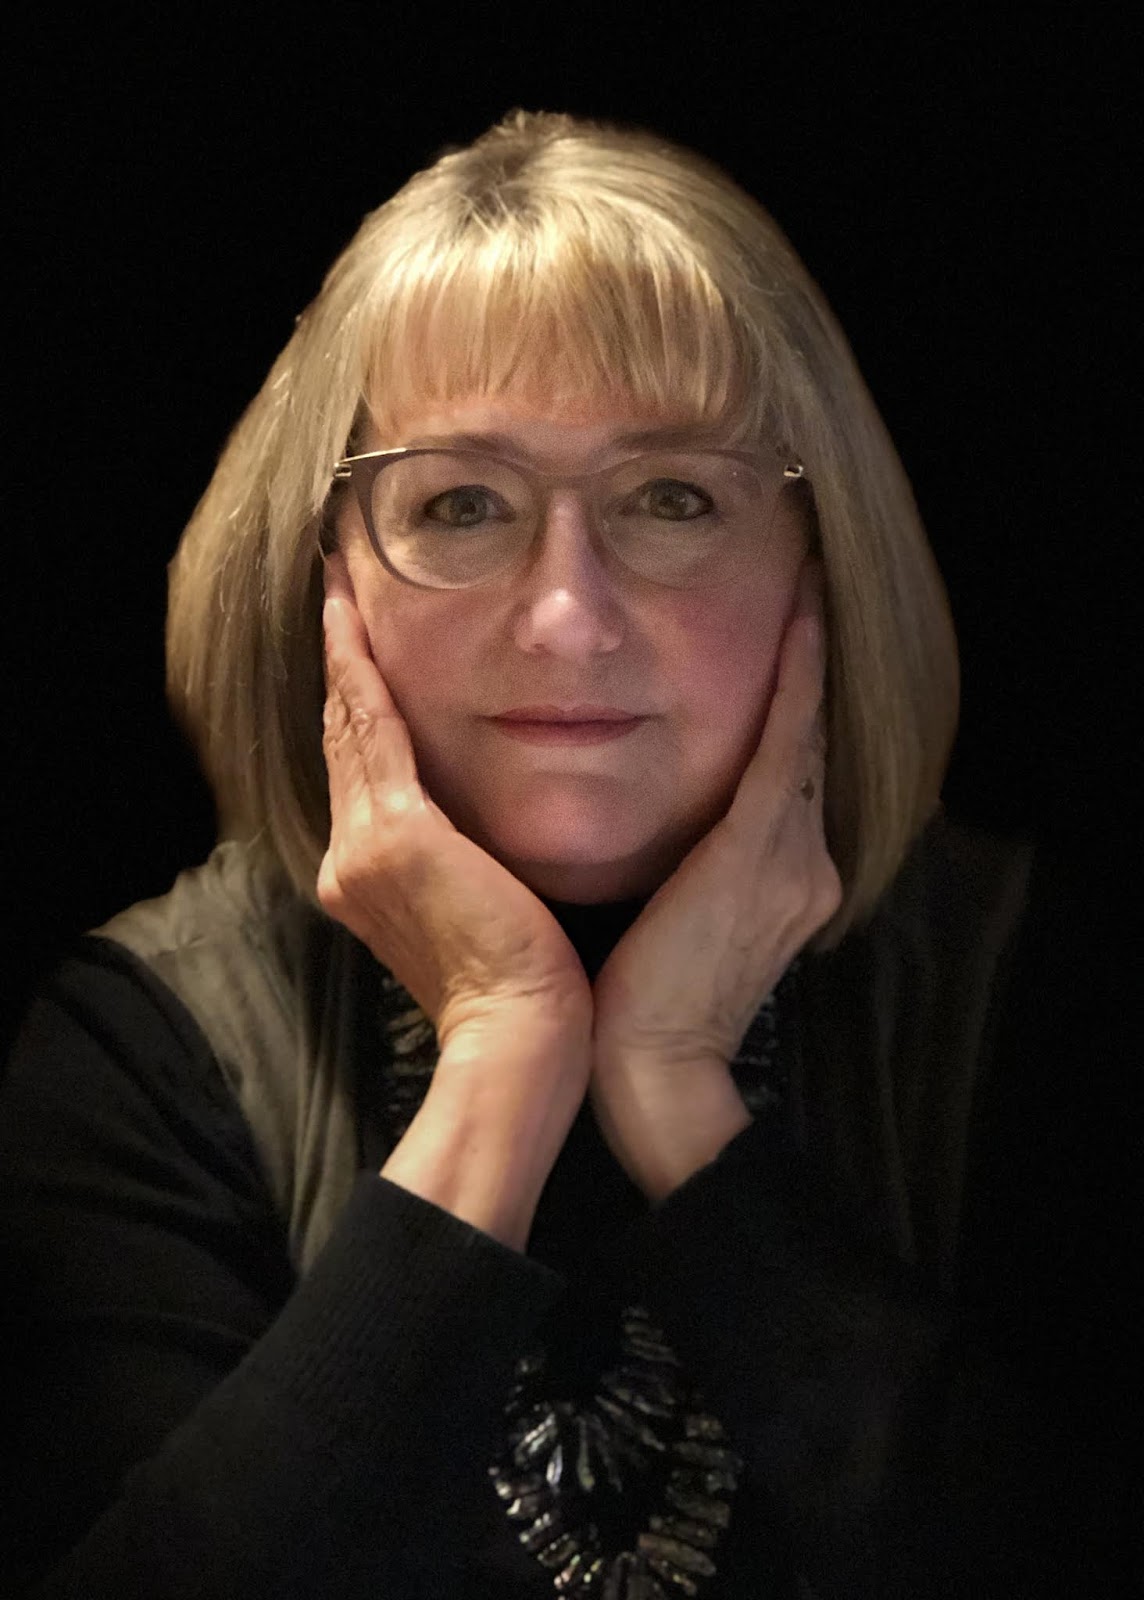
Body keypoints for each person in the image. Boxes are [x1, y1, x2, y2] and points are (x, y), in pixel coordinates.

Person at [0, 108, 1132, 1599]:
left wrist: (674, 1089)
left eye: (673, 498)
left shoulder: (1030, 988)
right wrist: (504, 1045)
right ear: (320, 575)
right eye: (461, 504)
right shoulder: (145, 1045)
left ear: (825, 561)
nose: (568, 618)